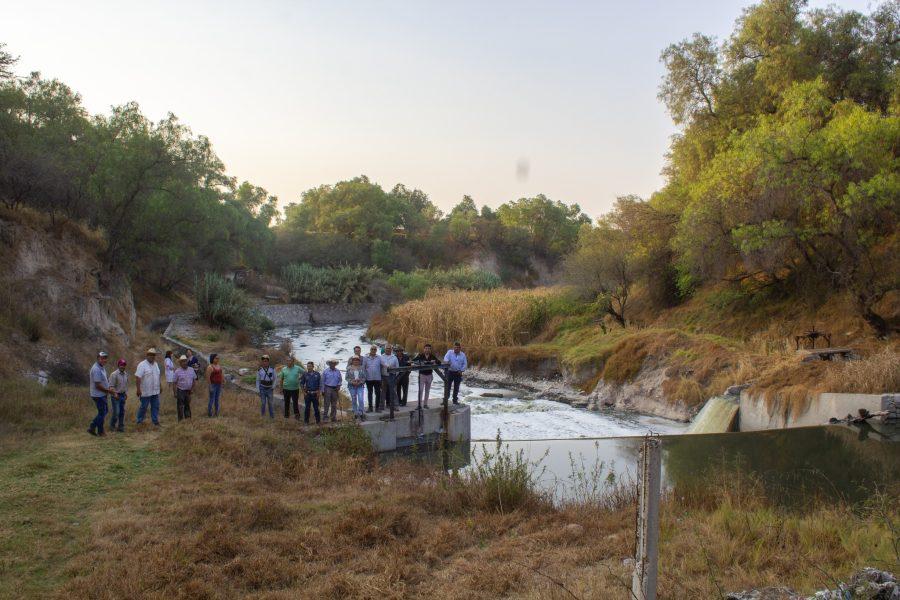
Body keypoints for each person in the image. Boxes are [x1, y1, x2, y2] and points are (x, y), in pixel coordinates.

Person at [88, 351, 113, 436]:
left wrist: (108, 388)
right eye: (102, 358)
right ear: (98, 358)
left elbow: (104, 380)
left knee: (103, 412)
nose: (104, 360)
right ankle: (94, 428)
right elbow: (97, 385)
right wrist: (108, 391)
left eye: (105, 358)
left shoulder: (101, 367)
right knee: (103, 413)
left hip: (102, 394)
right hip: (98, 395)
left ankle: (98, 430)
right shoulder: (96, 369)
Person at [135, 348, 162, 427]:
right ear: (147, 355)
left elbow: (158, 376)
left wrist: (160, 386)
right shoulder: (142, 365)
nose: (152, 356)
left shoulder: (156, 364)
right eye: (150, 355)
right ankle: (139, 421)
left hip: (155, 390)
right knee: (144, 407)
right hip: (145, 391)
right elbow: (138, 377)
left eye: (153, 355)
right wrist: (138, 389)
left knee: (156, 406)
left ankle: (155, 421)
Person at [412, 343, 441, 409]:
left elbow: (439, 362)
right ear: (424, 349)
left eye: (428, 349)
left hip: (429, 375)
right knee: (421, 390)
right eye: (426, 349)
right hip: (422, 375)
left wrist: (435, 361)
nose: (427, 350)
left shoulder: (432, 356)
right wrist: (420, 362)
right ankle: (419, 405)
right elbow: (413, 361)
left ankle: (425, 404)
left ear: (430, 350)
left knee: (427, 390)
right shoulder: (420, 355)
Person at [172, 355, 197, 420]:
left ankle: (188, 419)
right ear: (180, 363)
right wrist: (175, 393)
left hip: (188, 391)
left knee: (187, 405)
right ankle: (180, 421)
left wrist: (192, 389)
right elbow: (174, 383)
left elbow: (194, 380)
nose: (184, 363)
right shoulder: (177, 371)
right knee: (180, 406)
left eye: (185, 361)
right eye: (182, 361)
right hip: (180, 390)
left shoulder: (191, 370)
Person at [108, 359, 128, 432]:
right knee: (116, 412)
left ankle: (120, 427)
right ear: (118, 365)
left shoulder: (125, 374)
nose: (122, 366)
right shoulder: (114, 374)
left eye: (124, 365)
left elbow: (125, 385)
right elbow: (111, 386)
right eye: (121, 365)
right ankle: (112, 426)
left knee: (122, 412)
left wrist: (126, 393)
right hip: (115, 395)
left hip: (122, 395)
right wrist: (115, 394)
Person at [380, 344, 399, 413]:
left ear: (391, 349)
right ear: (385, 349)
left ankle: (395, 405)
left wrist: (395, 376)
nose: (388, 349)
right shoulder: (381, 357)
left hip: (392, 376)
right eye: (387, 348)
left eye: (389, 348)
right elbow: (381, 366)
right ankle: (381, 405)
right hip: (383, 376)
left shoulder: (394, 357)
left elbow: (397, 367)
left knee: (393, 391)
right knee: (383, 391)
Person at [362, 346, 382, 413]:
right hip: (369, 378)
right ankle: (370, 408)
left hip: (377, 378)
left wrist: (388, 366)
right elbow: (363, 368)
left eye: (375, 349)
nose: (373, 350)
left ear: (376, 350)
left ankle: (377, 408)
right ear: (370, 350)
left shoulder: (379, 357)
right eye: (372, 349)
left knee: (378, 393)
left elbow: (383, 365)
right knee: (370, 393)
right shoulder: (365, 358)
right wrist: (364, 378)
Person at [346, 356, 366, 420]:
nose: (356, 361)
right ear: (352, 361)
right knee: (354, 399)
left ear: (359, 361)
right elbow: (346, 378)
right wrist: (352, 382)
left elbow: (364, 377)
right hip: (351, 386)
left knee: (360, 399)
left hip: (360, 386)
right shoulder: (349, 368)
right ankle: (355, 413)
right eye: (354, 360)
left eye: (357, 360)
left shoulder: (362, 368)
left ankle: (361, 413)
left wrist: (360, 382)